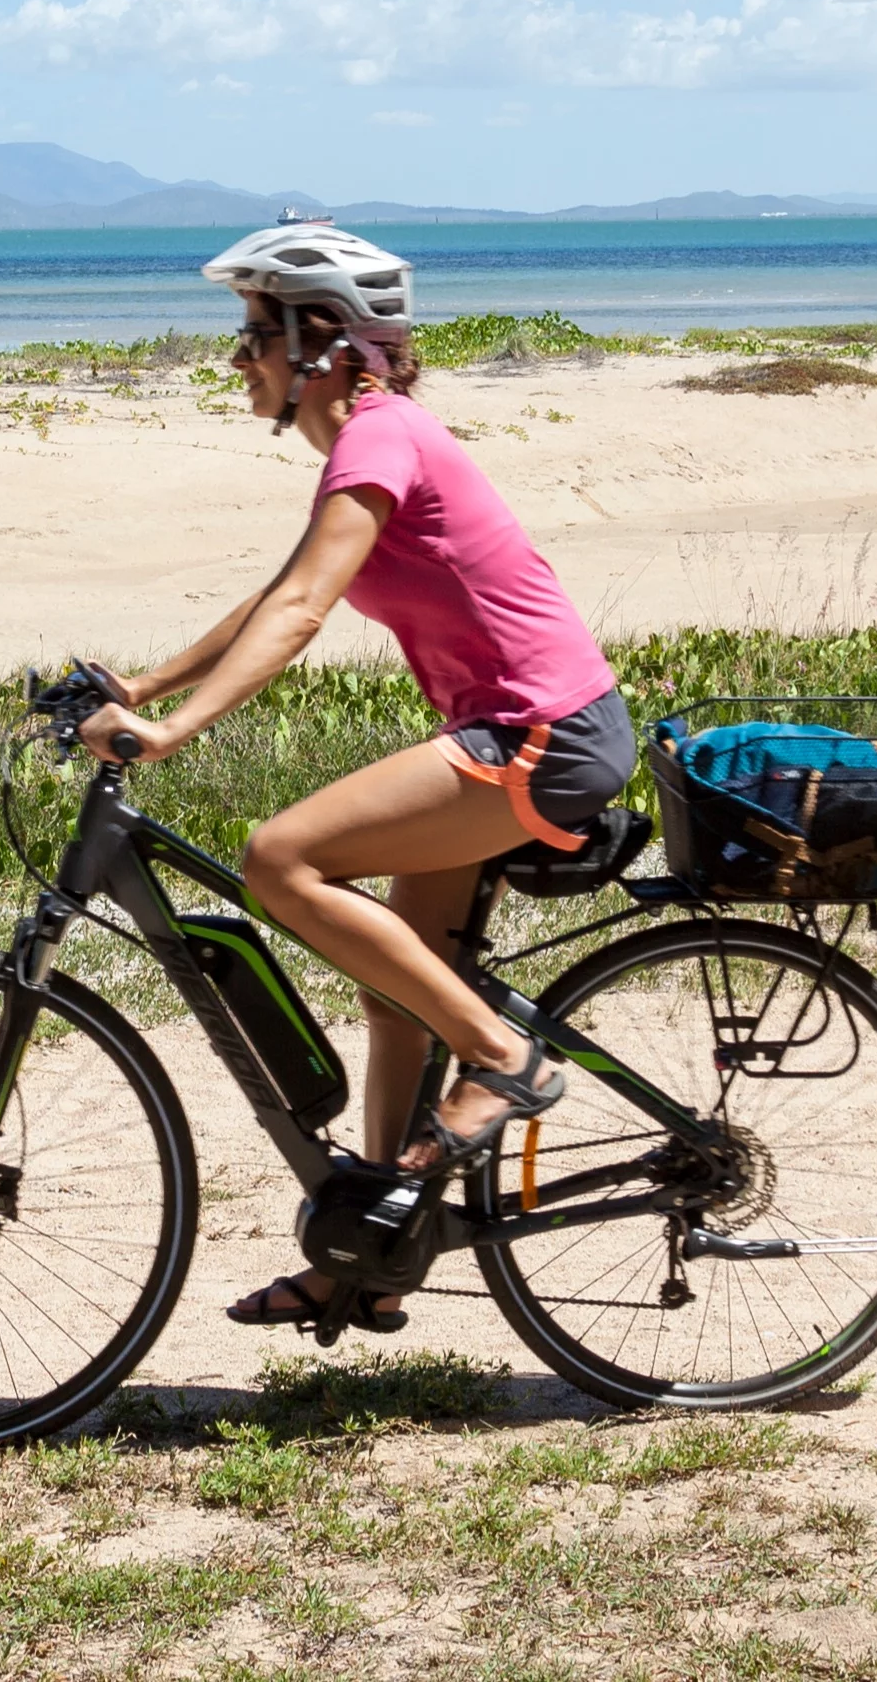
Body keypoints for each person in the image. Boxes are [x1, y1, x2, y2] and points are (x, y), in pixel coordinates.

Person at [78, 224, 636, 1332]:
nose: (239, 360)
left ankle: (505, 1059)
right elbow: (276, 590)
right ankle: (371, 1254)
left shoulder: (381, 441)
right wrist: (145, 684)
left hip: (540, 734)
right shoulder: (372, 447)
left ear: (320, 340)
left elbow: (297, 614)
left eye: (253, 335)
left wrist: (176, 731)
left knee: (281, 856)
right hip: (516, 729)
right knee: (397, 993)